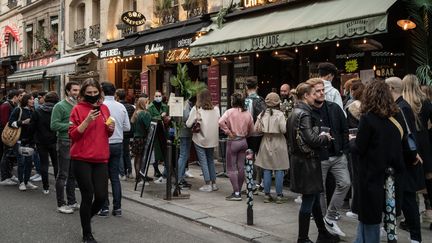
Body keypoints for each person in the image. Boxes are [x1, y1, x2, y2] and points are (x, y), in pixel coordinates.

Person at [352, 80, 406, 243]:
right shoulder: (397, 116)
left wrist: (351, 141)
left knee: (369, 218)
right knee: (386, 216)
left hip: (371, 175)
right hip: (392, 175)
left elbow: (359, 148)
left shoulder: (368, 119)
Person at [286, 82, 337, 243]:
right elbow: (312, 139)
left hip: (300, 161)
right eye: (314, 93)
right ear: (306, 96)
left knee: (313, 198)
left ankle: (322, 232)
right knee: (308, 200)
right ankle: (303, 238)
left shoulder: (295, 111)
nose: (317, 95)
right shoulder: (305, 113)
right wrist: (324, 137)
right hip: (307, 162)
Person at [69, 78, 114, 243]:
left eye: (95, 93)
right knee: (87, 195)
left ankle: (86, 218)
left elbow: (106, 134)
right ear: (83, 94)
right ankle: (87, 234)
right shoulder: (77, 109)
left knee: (101, 197)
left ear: (100, 92)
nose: (93, 96)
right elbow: (73, 135)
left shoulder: (105, 109)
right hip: (81, 158)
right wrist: (87, 120)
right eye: (89, 93)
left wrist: (110, 129)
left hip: (101, 157)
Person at [306, 78, 350, 237]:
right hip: (320, 156)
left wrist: (344, 149)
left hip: (337, 154)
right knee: (321, 191)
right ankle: (323, 227)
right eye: (317, 91)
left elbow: (345, 129)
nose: (321, 93)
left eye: (322, 90)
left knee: (345, 183)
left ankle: (330, 217)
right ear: (310, 94)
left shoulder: (334, 107)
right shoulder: (308, 112)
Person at [386, 76, 423, 242]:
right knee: (406, 200)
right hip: (406, 161)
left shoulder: (402, 107)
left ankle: (416, 238)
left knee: (409, 201)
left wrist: (412, 155)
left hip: (407, 162)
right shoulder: (400, 106)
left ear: (391, 89)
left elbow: (408, 137)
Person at [402, 74, 432, 231]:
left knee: (410, 181)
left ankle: (411, 219)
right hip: (425, 142)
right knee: (429, 179)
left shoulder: (402, 103)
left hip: (410, 143)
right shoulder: (426, 102)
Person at [99, 82, 131, 217]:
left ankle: (104, 207)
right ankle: (117, 208)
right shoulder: (121, 107)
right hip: (117, 142)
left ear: (101, 92)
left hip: (104, 143)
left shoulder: (100, 106)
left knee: (102, 178)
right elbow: (127, 127)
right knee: (115, 177)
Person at [254, 92, 290, 203]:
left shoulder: (262, 114)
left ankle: (267, 195)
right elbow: (284, 129)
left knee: (267, 169)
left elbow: (256, 129)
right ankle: (279, 195)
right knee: (279, 169)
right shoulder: (280, 114)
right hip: (278, 141)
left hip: (265, 141)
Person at [51, 81, 80, 214]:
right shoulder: (59, 106)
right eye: (74, 90)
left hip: (76, 142)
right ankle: (60, 204)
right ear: (68, 91)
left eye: (78, 90)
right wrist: (70, 126)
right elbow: (54, 125)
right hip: (64, 142)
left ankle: (72, 201)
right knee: (63, 174)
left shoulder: (79, 105)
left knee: (73, 175)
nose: (77, 92)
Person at [219, 92, 254, 201]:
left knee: (231, 168)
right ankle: (238, 189)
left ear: (233, 101)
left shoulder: (229, 112)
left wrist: (228, 132)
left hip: (233, 141)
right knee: (241, 167)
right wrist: (245, 135)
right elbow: (252, 130)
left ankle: (237, 192)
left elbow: (220, 122)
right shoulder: (248, 114)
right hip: (243, 141)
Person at [186, 89, 220, 192]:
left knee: (203, 161)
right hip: (212, 139)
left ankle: (207, 184)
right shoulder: (216, 109)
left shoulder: (196, 109)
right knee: (210, 160)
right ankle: (214, 183)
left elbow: (188, 124)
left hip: (200, 139)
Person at [30, 92, 59, 194]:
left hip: (40, 140)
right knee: (56, 164)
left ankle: (45, 187)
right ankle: (57, 186)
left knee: (44, 163)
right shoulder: (57, 110)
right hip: (55, 140)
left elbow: (32, 127)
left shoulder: (37, 110)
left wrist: (31, 140)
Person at [8, 94, 37, 191]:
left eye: (33, 99)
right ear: (26, 100)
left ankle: (27, 181)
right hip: (19, 140)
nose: (33, 101)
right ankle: (21, 182)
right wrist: (23, 122)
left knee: (29, 162)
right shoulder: (18, 110)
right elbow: (11, 123)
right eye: (31, 99)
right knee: (21, 162)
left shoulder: (33, 110)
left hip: (30, 140)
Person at [344, 81, 364, 219]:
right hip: (366, 143)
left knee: (356, 175)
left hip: (354, 142)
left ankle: (356, 206)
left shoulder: (351, 107)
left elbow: (348, 128)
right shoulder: (368, 106)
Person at [244, 78, 266, 192]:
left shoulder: (246, 101)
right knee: (260, 158)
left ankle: (251, 183)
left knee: (249, 158)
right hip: (261, 132)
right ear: (256, 87)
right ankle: (261, 182)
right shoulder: (261, 100)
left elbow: (246, 118)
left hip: (250, 134)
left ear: (246, 88)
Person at [0, 89, 23, 185]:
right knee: (6, 155)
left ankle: (8, 174)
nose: (21, 98)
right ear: (15, 97)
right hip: (7, 135)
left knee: (9, 155)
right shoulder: (6, 106)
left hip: (10, 135)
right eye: (20, 96)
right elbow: (5, 122)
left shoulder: (12, 105)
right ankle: (4, 177)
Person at [147, 91, 169, 183]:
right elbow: (151, 118)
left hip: (163, 131)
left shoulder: (165, 106)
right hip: (154, 131)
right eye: (156, 96)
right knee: (155, 151)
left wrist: (166, 118)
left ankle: (165, 169)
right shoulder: (150, 107)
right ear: (153, 96)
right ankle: (156, 170)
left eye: (159, 96)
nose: (158, 97)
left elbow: (168, 116)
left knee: (164, 150)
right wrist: (161, 116)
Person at [130, 95, 152, 184]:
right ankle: (140, 178)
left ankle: (137, 177)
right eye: (147, 102)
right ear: (144, 103)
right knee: (142, 158)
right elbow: (148, 127)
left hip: (136, 138)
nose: (148, 104)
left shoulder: (136, 113)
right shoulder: (145, 114)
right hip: (143, 138)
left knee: (137, 158)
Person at [177, 96, 197, 189]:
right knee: (183, 155)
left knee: (184, 155)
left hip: (186, 133)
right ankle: (179, 178)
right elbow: (186, 118)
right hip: (184, 133)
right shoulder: (186, 105)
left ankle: (180, 177)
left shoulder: (188, 105)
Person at [115, 88, 135, 179]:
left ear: (118, 96)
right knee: (127, 152)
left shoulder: (117, 106)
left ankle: (122, 173)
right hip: (128, 132)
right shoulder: (131, 107)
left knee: (121, 153)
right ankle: (130, 172)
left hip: (119, 132)